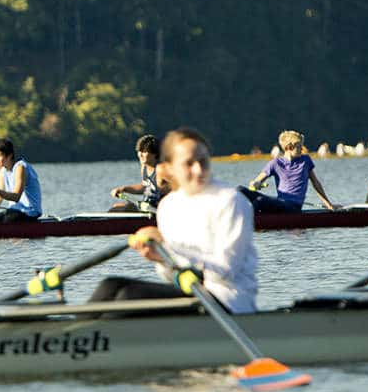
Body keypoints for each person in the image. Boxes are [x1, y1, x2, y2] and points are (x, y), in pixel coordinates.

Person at [90, 127, 259, 313]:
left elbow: (226, 270)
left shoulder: (230, 201)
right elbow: (171, 275)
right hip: (193, 294)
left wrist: (167, 247)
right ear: (170, 168)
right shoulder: (168, 206)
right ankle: (70, 337)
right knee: (110, 286)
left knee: (130, 296)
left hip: (228, 301)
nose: (198, 169)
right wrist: (159, 257)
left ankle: (88, 340)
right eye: (189, 163)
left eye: (203, 161)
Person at [240, 130, 337, 213]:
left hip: (294, 207)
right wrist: (255, 184)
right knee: (240, 190)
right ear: (288, 147)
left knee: (260, 201)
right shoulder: (275, 163)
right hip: (280, 203)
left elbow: (316, 183)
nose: (302, 149)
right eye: (299, 147)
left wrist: (328, 204)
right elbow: (256, 182)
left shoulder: (306, 160)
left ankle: (249, 220)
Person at [0, 138, 42, 224]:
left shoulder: (20, 168)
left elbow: (16, 197)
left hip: (29, 213)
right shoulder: (3, 171)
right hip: (15, 212)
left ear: (9, 155)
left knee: (3, 220)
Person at [108, 134, 169, 213]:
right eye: (139, 151)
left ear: (155, 154)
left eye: (144, 151)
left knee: (127, 208)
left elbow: (181, 186)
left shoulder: (162, 169)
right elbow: (144, 187)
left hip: (159, 210)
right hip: (147, 206)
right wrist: (123, 189)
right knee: (116, 207)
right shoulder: (144, 167)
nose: (140, 155)